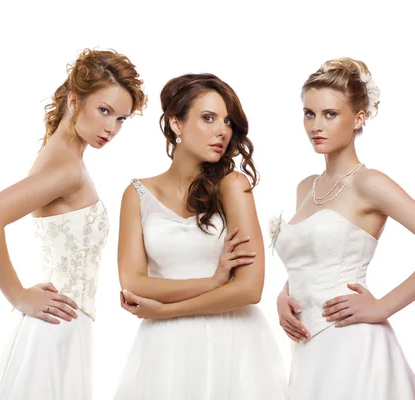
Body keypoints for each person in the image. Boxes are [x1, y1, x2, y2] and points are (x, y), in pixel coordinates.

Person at [273, 57, 415, 399]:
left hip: (352, 344)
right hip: (307, 349)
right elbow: (310, 257)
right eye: (309, 113)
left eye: (330, 114)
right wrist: (283, 296)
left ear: (359, 118)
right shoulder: (305, 187)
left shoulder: (369, 183)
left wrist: (383, 306)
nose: (316, 125)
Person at [0, 48, 147, 400]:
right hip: (57, 325)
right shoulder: (65, 167)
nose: (111, 127)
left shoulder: (62, 154)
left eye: (122, 119)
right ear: (75, 101)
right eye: (104, 111)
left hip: (63, 324)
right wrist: (18, 295)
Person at [115, 73, 287, 399]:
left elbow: (250, 289)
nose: (222, 130)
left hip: (232, 343)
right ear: (176, 124)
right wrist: (214, 281)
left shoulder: (233, 186)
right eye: (208, 118)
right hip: (164, 350)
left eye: (227, 121)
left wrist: (165, 310)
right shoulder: (136, 194)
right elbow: (134, 284)